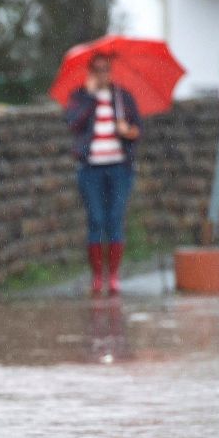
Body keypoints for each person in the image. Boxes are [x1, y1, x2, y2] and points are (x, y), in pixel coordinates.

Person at [64, 54, 142, 295]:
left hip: (119, 168)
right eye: (97, 70)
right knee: (96, 220)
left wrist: (126, 130)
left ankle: (114, 276)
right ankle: (98, 276)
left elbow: (138, 128)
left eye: (106, 69)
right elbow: (72, 124)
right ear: (90, 72)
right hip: (91, 169)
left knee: (115, 218)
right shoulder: (80, 97)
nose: (102, 74)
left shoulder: (123, 97)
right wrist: (89, 98)